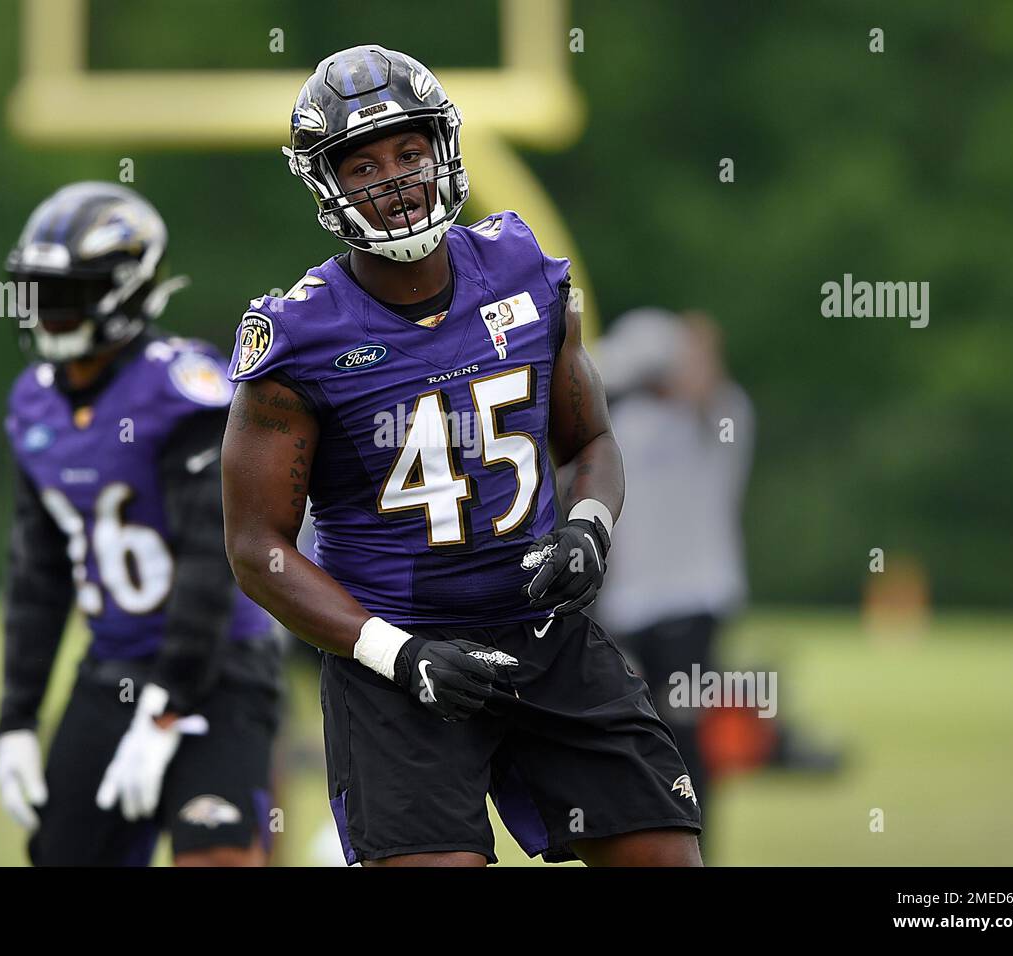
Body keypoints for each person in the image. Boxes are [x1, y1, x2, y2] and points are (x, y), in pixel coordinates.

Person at [221, 47, 702, 866]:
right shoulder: (300, 336)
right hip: (393, 663)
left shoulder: (522, 270)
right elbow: (256, 547)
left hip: (544, 632)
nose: (396, 178)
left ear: (443, 149)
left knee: (664, 856)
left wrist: (588, 527)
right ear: (325, 184)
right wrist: (395, 653)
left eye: (409, 152)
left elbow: (588, 440)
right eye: (364, 163)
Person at [0, 182, 281, 866]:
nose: (46, 314)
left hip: (218, 668)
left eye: (62, 296)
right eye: (37, 293)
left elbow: (213, 563)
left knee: (217, 856)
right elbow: (39, 577)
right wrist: (16, 718)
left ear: (121, 294)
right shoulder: (33, 403)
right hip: (112, 668)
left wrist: (166, 706)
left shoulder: (181, 390)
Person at [594, 308, 754, 837]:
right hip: (628, 605)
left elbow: (706, 390)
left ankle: (695, 843)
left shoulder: (720, 415)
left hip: (692, 602)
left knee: (684, 733)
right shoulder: (624, 425)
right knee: (635, 733)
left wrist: (696, 350)